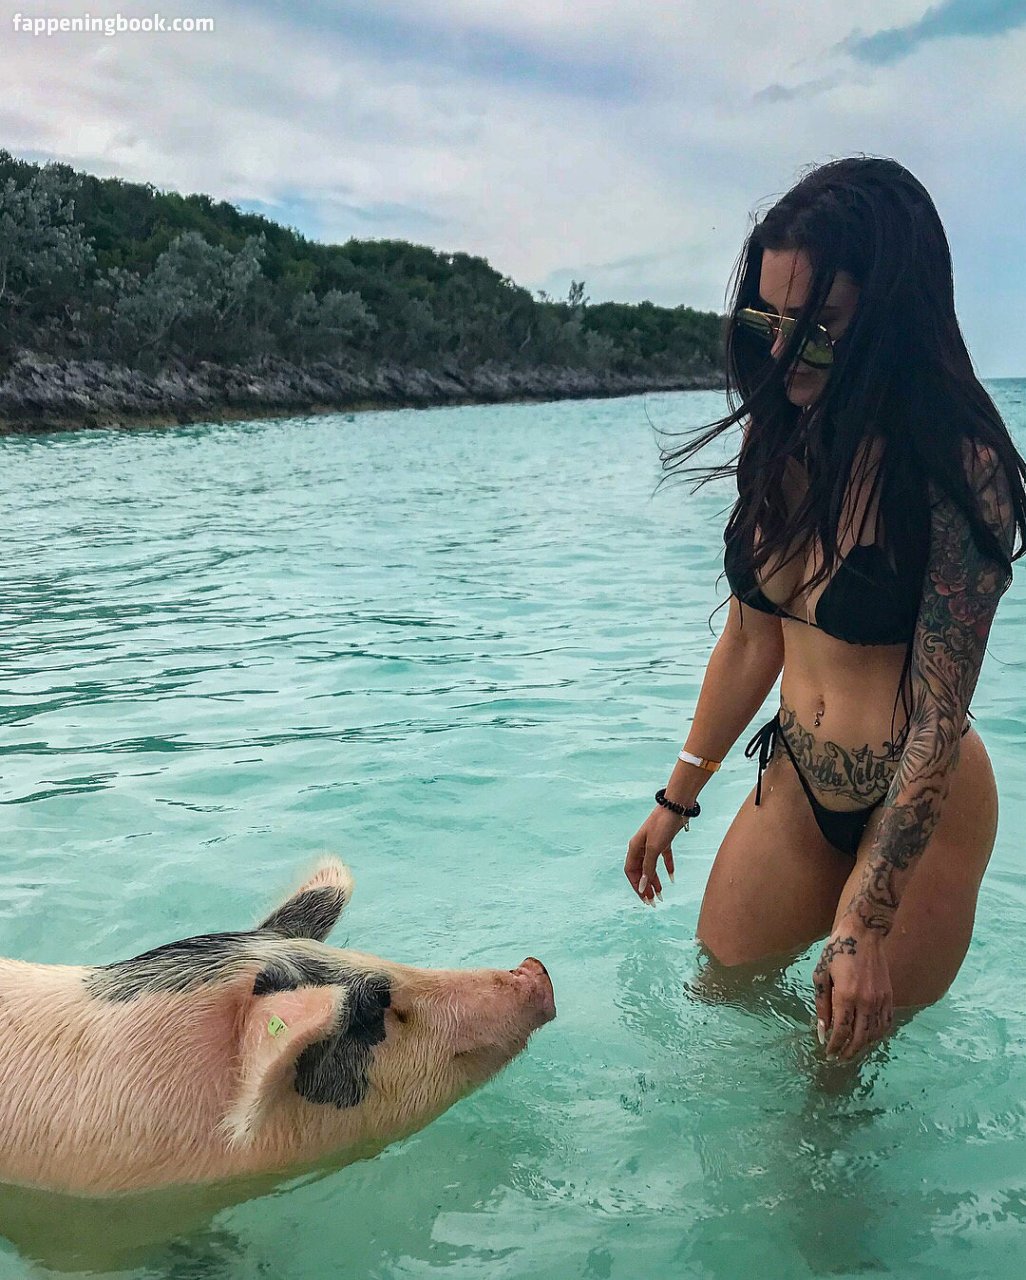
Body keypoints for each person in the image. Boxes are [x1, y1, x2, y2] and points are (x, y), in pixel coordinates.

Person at [624, 156, 1026, 1063]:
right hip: (800, 784)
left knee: (831, 1083)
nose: (779, 357)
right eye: (766, 324)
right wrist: (677, 797)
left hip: (925, 810)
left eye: (813, 332)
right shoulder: (781, 441)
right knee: (715, 1005)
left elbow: (938, 716)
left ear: (889, 322)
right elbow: (749, 641)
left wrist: (864, 920)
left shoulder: (960, 473)